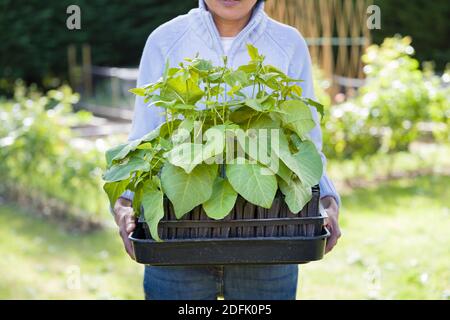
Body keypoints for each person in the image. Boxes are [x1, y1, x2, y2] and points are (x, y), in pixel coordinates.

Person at [113, 0, 341, 300]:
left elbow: (305, 144)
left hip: (268, 242)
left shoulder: (288, 43)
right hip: (176, 241)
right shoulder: (165, 40)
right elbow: (142, 141)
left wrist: (327, 199)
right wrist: (124, 204)